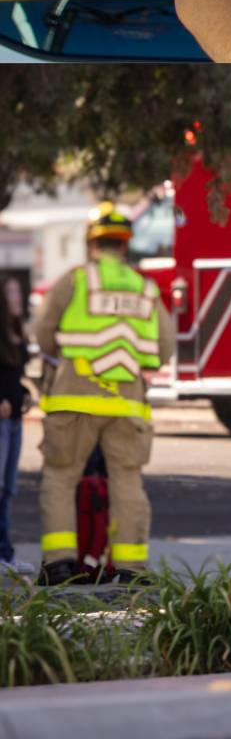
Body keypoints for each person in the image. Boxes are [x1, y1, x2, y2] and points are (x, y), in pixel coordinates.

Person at [31, 204, 172, 584]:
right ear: (125, 245)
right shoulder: (145, 287)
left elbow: (43, 329)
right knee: (127, 481)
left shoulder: (75, 280)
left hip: (74, 397)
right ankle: (130, 570)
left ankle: (60, 564)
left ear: (91, 243)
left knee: (61, 477)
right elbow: (165, 346)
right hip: (126, 401)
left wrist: (61, 355)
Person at [0, 265, 29, 573]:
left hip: (15, 419)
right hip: (1, 420)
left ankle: (6, 555)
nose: (17, 297)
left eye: (18, 292)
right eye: (10, 293)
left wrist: (24, 392)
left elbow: (14, 376)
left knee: (9, 489)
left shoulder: (18, 333)